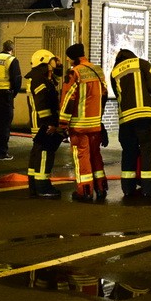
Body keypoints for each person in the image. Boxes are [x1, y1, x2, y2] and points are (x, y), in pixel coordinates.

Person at [110, 48, 151, 199]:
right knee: (148, 151)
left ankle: (128, 188)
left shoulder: (114, 72)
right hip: (145, 116)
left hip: (125, 120)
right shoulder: (142, 64)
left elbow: (119, 96)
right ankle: (149, 189)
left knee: (129, 152)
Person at [59, 43, 109, 202]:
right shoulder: (98, 71)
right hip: (95, 124)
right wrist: (99, 117)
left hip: (79, 125)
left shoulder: (74, 73)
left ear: (73, 58)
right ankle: (101, 187)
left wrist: (62, 123)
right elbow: (104, 95)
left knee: (82, 158)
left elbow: (68, 99)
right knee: (95, 155)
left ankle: (84, 191)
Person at [25, 49, 63, 199]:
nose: (54, 63)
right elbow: (42, 103)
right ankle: (42, 186)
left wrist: (58, 67)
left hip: (40, 122)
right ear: (45, 62)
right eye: (52, 60)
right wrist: (49, 124)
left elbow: (56, 81)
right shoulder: (39, 80)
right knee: (44, 153)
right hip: (43, 123)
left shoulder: (39, 77)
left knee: (37, 152)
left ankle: (34, 185)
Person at [0, 40, 21, 160]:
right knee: (4, 125)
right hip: (5, 95)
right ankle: (2, 153)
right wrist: (13, 94)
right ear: (12, 49)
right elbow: (17, 79)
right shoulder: (12, 60)